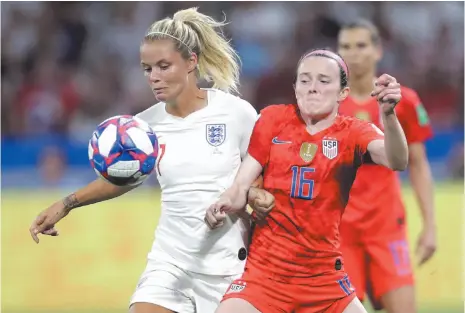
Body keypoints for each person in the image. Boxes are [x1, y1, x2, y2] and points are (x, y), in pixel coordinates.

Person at [29, 8, 275, 313]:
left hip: (230, 267)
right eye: (147, 69)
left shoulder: (236, 113)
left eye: (163, 66)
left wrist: (254, 198)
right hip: (171, 264)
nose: (154, 77)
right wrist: (67, 204)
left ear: (191, 62)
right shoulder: (143, 127)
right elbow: (124, 178)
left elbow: (259, 180)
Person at [205, 49, 409, 313]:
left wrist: (389, 115)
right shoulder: (272, 119)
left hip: (324, 280)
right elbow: (241, 186)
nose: (313, 88)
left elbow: (398, 160)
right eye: (305, 80)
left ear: (342, 94)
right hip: (265, 278)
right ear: (295, 88)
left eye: (324, 81)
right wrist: (223, 203)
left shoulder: (353, 132)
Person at [337, 20, 436, 313]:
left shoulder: (400, 101)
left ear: (378, 50)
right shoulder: (326, 104)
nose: (353, 54)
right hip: (339, 233)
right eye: (346, 47)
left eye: (361, 46)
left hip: (386, 229)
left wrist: (430, 226)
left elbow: (418, 165)